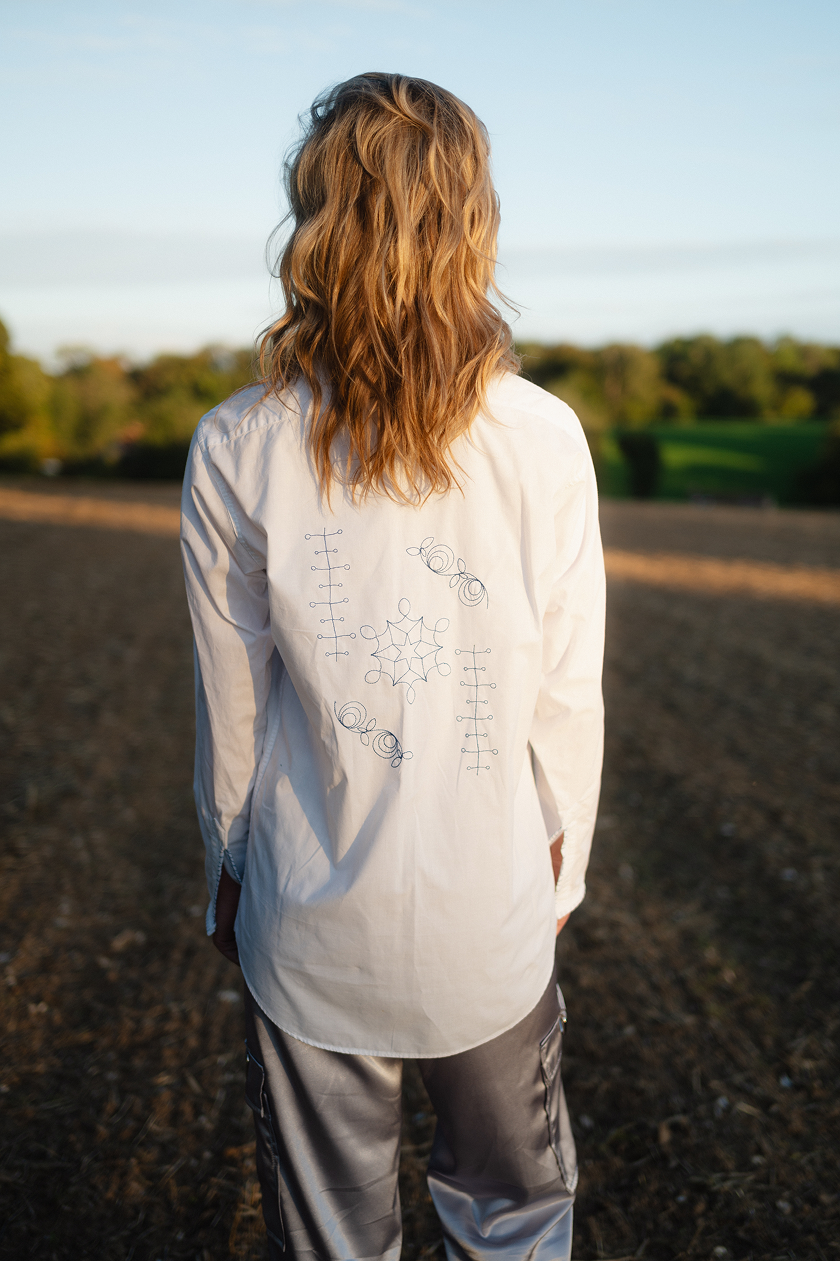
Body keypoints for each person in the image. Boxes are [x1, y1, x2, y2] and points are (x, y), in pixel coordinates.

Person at [180, 72, 605, 1261]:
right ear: (474, 220)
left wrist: (229, 864)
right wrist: (559, 866)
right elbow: (569, 686)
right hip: (496, 909)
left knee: (331, 1240)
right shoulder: (545, 435)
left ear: (312, 221)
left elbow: (232, 699)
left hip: (308, 913)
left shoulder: (235, 441)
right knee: (515, 1212)